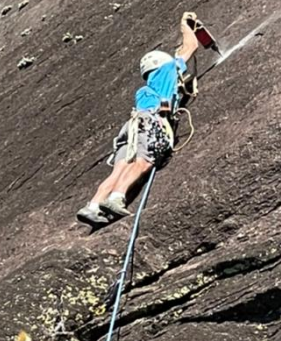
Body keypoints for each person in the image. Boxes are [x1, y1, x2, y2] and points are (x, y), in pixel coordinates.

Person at [77, 12, 202, 226]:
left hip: (133, 126)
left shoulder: (148, 87)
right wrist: (185, 24)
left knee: (121, 167)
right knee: (144, 161)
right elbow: (190, 46)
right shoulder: (167, 70)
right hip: (150, 124)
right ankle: (117, 198)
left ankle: (93, 206)